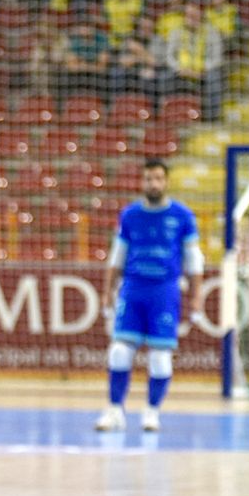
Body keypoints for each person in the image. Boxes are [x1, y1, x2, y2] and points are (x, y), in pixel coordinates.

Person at [96, 159, 204, 433]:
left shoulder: (182, 216)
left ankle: (152, 411)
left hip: (164, 292)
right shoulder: (130, 215)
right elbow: (117, 255)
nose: (153, 184)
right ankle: (114, 409)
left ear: (166, 181)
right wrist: (108, 290)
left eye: (157, 178)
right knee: (119, 352)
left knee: (160, 357)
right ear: (141, 182)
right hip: (132, 290)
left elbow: (193, 259)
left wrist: (196, 295)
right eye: (148, 179)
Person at [165, 2, 225, 121]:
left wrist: (202, 70)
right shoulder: (176, 32)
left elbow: (217, 59)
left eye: (194, 15)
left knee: (214, 78)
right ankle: (165, 116)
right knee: (163, 77)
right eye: (189, 15)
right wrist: (179, 68)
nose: (191, 18)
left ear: (200, 15)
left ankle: (211, 119)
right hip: (181, 71)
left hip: (203, 72)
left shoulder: (212, 32)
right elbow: (169, 57)